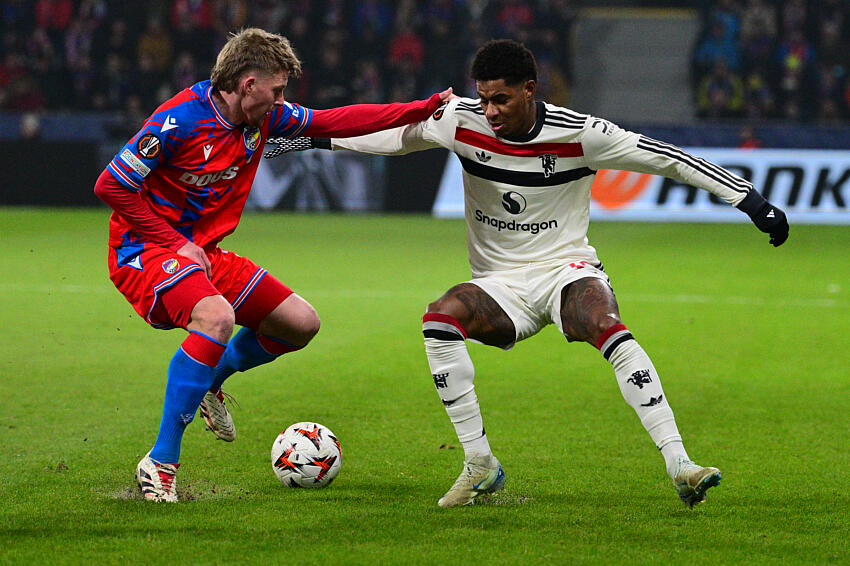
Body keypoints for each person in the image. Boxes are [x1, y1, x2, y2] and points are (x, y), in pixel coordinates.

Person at [266, 39, 789, 508]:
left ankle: (680, 465)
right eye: (484, 98)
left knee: (603, 320)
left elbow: (668, 159)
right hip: (499, 282)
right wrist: (312, 140)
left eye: (501, 99)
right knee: (439, 320)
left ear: (530, 90)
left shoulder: (583, 134)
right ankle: (479, 464)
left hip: (566, 268)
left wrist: (750, 200)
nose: (488, 110)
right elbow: (393, 137)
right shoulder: (462, 120)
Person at [93, 27, 453, 502]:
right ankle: (160, 462)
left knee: (300, 324)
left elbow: (335, 121)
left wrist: (419, 109)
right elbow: (110, 186)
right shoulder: (178, 121)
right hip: (144, 251)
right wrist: (173, 240)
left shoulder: (266, 119)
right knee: (217, 317)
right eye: (277, 89)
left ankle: (211, 381)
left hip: (203, 253)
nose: (283, 99)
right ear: (247, 84)